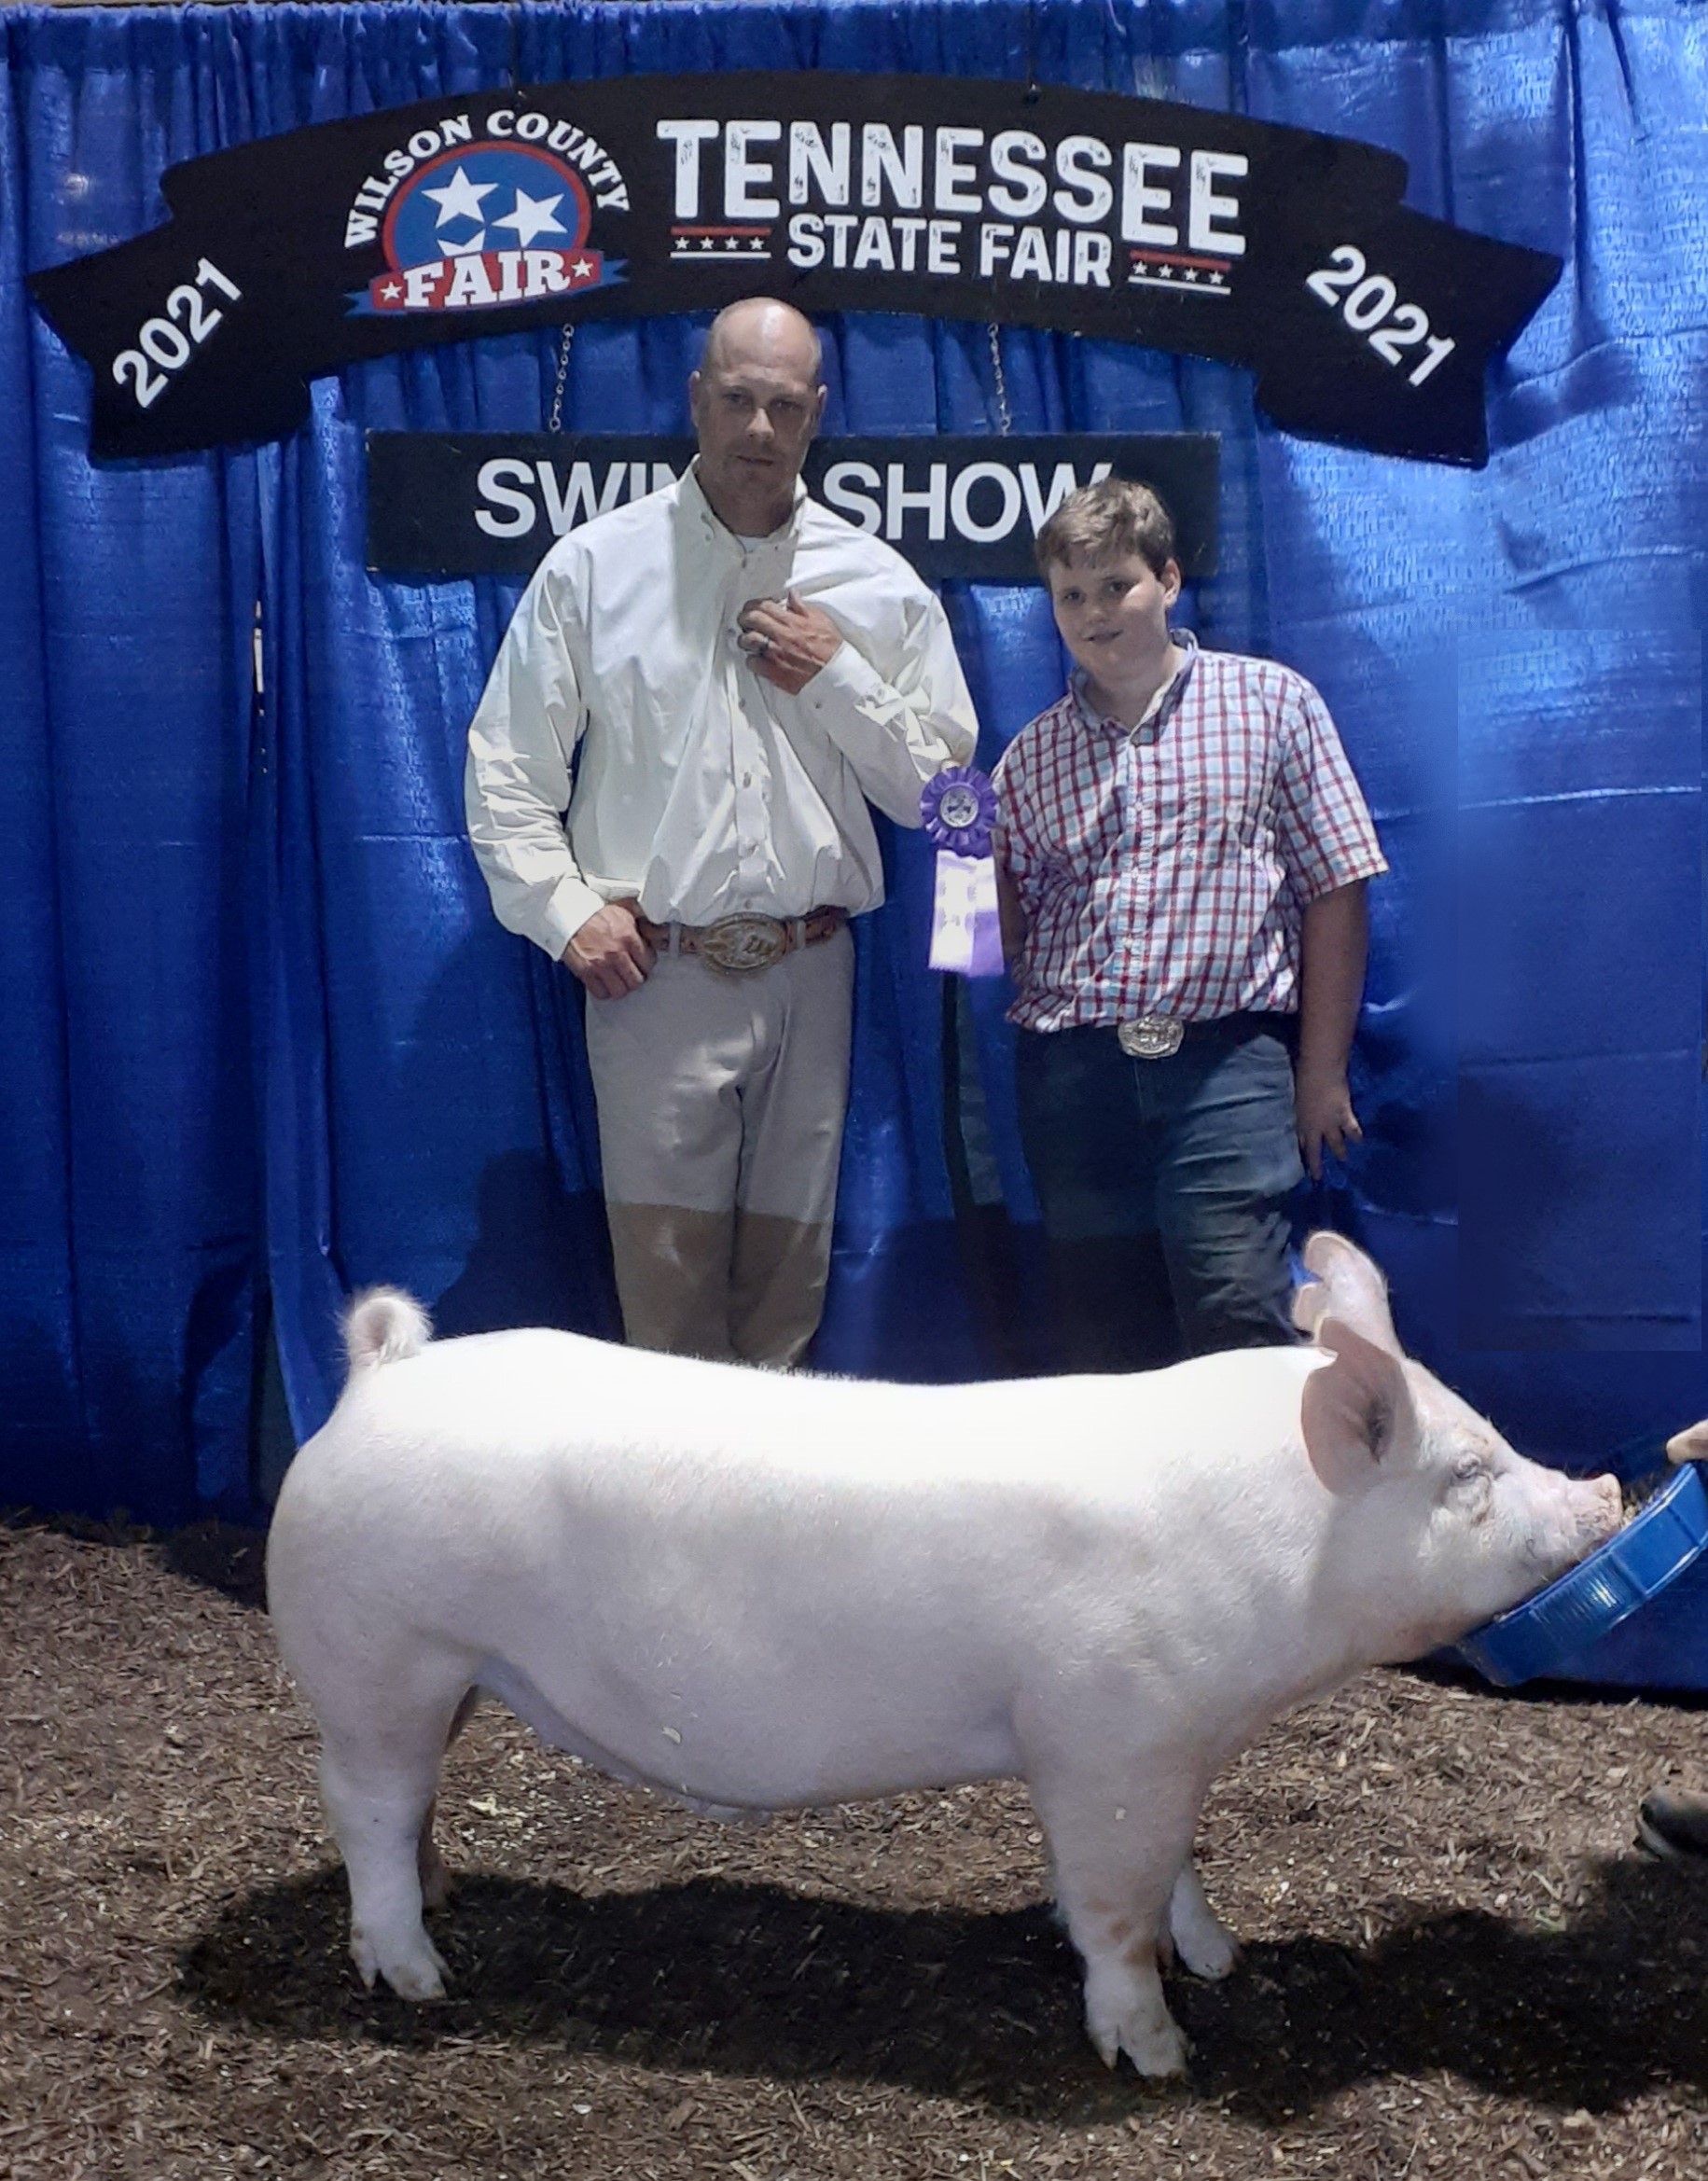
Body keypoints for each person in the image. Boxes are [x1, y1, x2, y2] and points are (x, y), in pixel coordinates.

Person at [465, 299, 979, 1367]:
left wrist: (834, 676)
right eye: (737, 399)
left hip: (812, 965)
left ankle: (759, 1528)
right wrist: (567, 916)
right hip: (655, 973)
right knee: (666, 1301)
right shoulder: (594, 570)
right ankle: (666, 1531)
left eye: (781, 406)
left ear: (816, 415)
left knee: (786, 1296)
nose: (757, 428)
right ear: (695, 398)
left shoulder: (875, 583)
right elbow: (506, 769)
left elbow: (940, 795)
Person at [993, 477, 1388, 1374]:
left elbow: (1338, 887)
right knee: (1102, 1344)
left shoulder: (1272, 705)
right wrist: (959, 856)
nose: (1095, 613)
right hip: (1074, 1076)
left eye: (1116, 585)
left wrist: (1319, 1072)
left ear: (1168, 580)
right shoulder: (1026, 756)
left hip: (1227, 1065)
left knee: (1238, 1316)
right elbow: (996, 944)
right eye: (1071, 595)